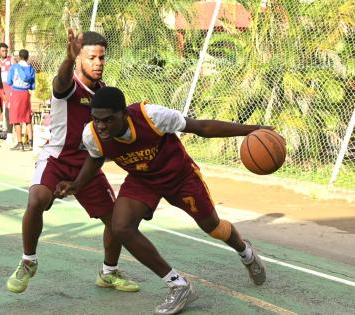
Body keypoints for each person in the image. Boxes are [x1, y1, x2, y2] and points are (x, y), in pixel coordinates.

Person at [55, 87, 269, 315]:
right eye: (96, 119)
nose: (101, 126)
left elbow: (201, 127)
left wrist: (253, 130)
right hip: (142, 180)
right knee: (121, 227)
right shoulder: (92, 134)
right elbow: (95, 159)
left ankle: (245, 252)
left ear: (124, 114)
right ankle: (178, 285)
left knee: (213, 228)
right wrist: (76, 184)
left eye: (107, 119)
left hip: (180, 177)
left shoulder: (152, 116)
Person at [6, 30, 139, 294]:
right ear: (78, 58)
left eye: (102, 57)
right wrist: (67, 60)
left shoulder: (104, 94)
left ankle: (108, 272)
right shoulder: (69, 86)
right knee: (36, 200)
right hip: (57, 158)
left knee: (115, 220)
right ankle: (28, 261)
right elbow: (61, 80)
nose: (98, 63)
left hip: (88, 164)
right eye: (92, 57)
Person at [7, 49, 36, 151]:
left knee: (16, 119)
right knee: (27, 118)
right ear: (27, 57)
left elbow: (9, 81)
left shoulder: (14, 67)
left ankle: (20, 144)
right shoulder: (31, 69)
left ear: (19, 57)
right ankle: (32, 143)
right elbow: (32, 86)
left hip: (16, 93)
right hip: (26, 94)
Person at [0, 43, 13, 141]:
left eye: (6, 50)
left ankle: (4, 129)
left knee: (6, 107)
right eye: (3, 50)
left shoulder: (11, 60)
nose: (5, 52)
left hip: (8, 86)